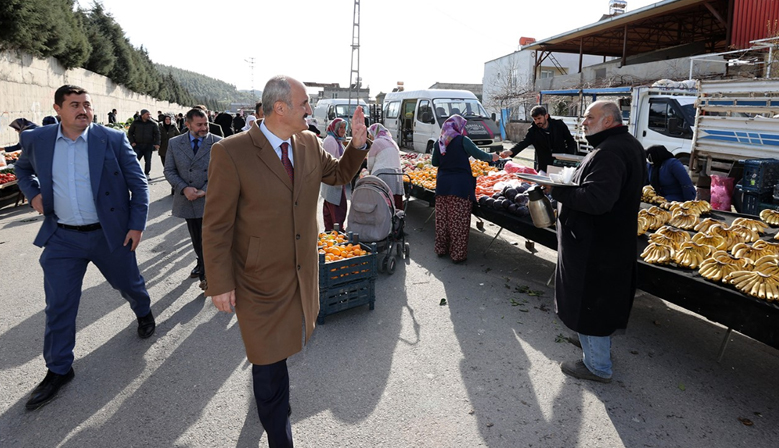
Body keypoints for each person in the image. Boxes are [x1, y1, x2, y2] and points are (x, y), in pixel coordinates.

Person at [202, 75, 368, 448]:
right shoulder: (232, 152)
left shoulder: (308, 143)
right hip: (257, 280)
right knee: (268, 364)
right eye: (304, 103)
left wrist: (357, 146)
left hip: (302, 273)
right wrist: (220, 283)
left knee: (287, 351)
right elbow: (216, 226)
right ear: (280, 108)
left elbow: (340, 174)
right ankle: (280, 437)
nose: (310, 109)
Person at [14, 84, 154, 411]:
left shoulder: (112, 139)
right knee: (59, 304)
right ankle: (59, 368)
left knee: (129, 285)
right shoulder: (37, 140)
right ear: (58, 109)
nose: (83, 110)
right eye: (74, 104)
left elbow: (138, 183)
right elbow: (22, 169)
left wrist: (137, 225)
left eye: (87, 104)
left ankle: (143, 310)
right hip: (63, 238)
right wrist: (33, 194)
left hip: (111, 234)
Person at [550, 101, 645, 383]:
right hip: (607, 241)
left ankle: (597, 366)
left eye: (589, 117)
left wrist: (557, 190)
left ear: (607, 120)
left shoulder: (610, 152)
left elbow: (596, 200)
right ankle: (592, 346)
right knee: (595, 303)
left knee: (591, 302)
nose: (583, 122)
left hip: (597, 246)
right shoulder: (624, 145)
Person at [164, 108, 221, 290]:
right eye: (199, 125)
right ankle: (204, 267)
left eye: (206, 123)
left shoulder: (219, 143)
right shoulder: (175, 143)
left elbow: (223, 172)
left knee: (211, 240)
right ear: (187, 125)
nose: (204, 128)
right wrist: (184, 188)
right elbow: (169, 170)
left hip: (212, 200)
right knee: (197, 240)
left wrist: (205, 190)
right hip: (189, 200)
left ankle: (208, 276)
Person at [432, 115, 499, 263]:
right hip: (460, 187)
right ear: (458, 127)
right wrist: (493, 156)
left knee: (442, 220)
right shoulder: (463, 140)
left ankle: (441, 249)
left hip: (442, 186)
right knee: (458, 222)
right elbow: (480, 155)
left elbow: (435, 162)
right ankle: (457, 255)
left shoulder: (440, 142)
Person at [500, 105, 578, 173]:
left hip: (561, 164)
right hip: (544, 166)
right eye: (535, 119)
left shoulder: (559, 125)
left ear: (546, 116)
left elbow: (570, 141)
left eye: (539, 118)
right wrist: (511, 151)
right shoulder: (533, 131)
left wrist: (568, 157)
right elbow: (524, 143)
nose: (537, 122)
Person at [320, 118, 350, 230]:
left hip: (336, 180)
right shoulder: (330, 141)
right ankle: (336, 234)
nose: (342, 130)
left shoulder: (337, 140)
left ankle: (332, 233)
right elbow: (331, 163)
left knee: (333, 209)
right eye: (340, 128)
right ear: (335, 128)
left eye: (344, 128)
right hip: (333, 181)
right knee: (337, 210)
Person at [367, 123, 404, 210]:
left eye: (370, 135)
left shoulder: (375, 143)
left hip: (382, 175)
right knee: (395, 201)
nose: (370, 137)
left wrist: (367, 172)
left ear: (374, 133)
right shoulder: (392, 142)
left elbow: (370, 164)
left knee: (382, 203)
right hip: (397, 176)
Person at [127, 109, 161, 179]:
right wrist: (132, 142)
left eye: (149, 114)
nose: (149, 116)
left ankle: (146, 174)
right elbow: (130, 133)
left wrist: (157, 143)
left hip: (148, 145)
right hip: (137, 145)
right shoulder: (136, 123)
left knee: (148, 161)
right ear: (142, 115)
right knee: (135, 160)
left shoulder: (152, 123)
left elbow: (157, 134)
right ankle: (134, 173)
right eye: (147, 114)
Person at [158, 114, 180, 181]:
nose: (167, 121)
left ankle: (172, 173)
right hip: (163, 147)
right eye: (166, 119)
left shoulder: (173, 127)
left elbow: (178, 136)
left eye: (169, 119)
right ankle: (167, 173)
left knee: (173, 162)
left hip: (172, 148)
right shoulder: (160, 127)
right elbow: (157, 136)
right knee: (164, 162)